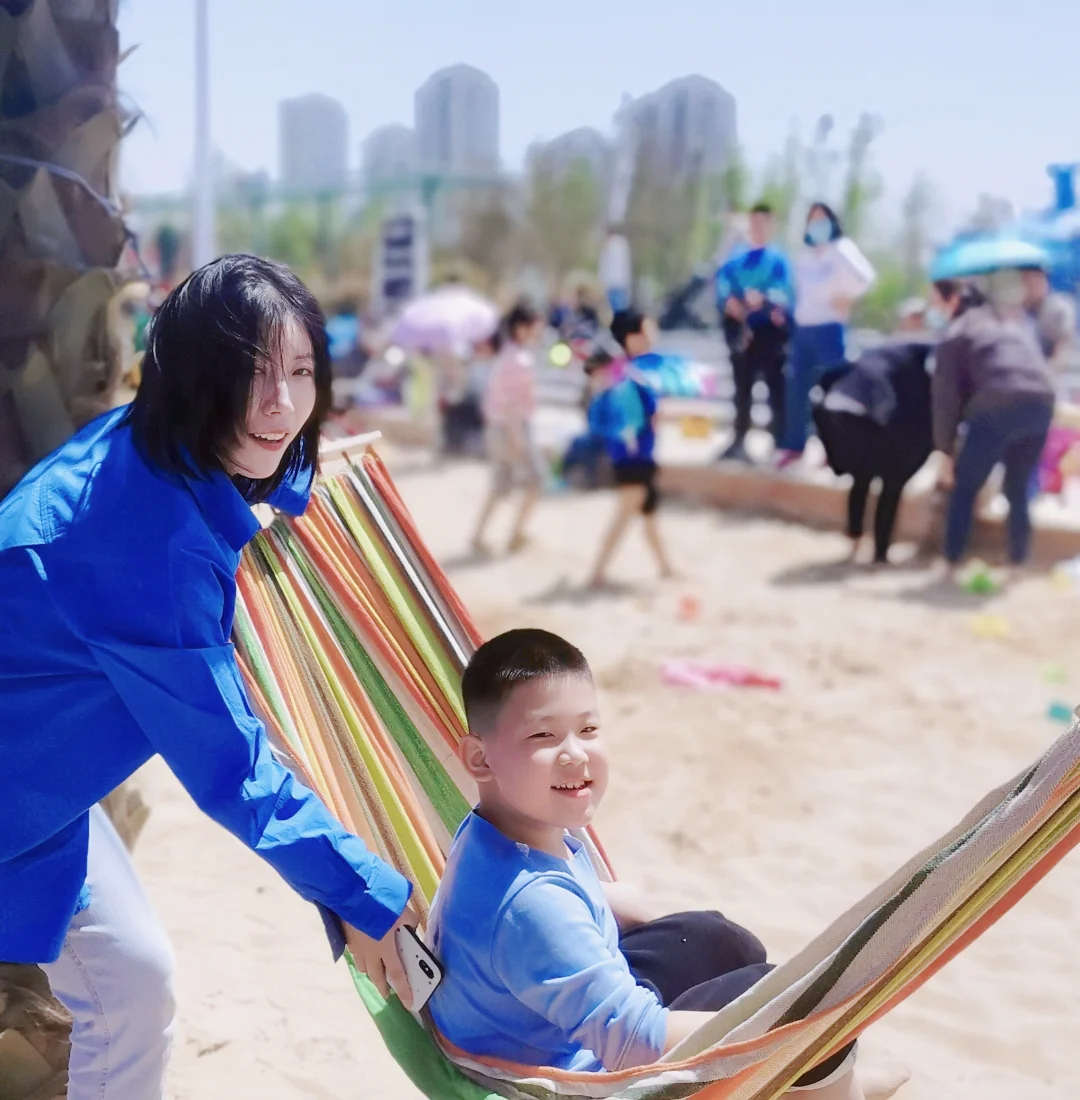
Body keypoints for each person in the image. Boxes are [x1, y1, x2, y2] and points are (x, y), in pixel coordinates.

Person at [0, 255, 420, 1100]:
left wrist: (309, 478)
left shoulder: (154, 442)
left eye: (300, 372)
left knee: (130, 984)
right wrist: (361, 893)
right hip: (18, 793)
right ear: (194, 377)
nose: (280, 404)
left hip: (40, 781)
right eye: (249, 375)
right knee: (126, 992)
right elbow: (234, 770)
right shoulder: (148, 546)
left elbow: (268, 463)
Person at [427, 629, 868, 1098]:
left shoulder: (498, 834)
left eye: (588, 729)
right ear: (479, 758)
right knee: (809, 1012)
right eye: (544, 734)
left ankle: (822, 1081)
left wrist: (617, 901)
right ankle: (837, 1087)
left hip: (540, 1024)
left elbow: (541, 919)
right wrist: (781, 1032)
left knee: (716, 940)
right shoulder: (532, 907)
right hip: (582, 1078)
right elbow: (632, 1042)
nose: (575, 753)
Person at [930, 279, 1056, 572]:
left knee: (965, 487)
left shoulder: (957, 332)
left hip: (998, 403)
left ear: (953, 302)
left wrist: (945, 452)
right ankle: (1018, 560)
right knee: (1018, 486)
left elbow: (945, 399)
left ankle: (952, 559)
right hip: (1041, 403)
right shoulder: (1011, 325)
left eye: (936, 300)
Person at [813, 308, 935, 564]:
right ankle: (879, 552)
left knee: (863, 476)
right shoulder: (924, 352)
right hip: (868, 410)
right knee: (892, 483)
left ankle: (857, 540)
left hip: (836, 405)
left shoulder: (892, 349)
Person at [778, 203, 876, 467]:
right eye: (813, 219)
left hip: (830, 329)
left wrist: (847, 298)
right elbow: (797, 291)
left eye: (822, 219)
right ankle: (794, 445)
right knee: (796, 390)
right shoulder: (805, 256)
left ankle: (836, 449)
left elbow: (865, 278)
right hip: (803, 329)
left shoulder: (842, 249)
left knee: (834, 391)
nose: (817, 224)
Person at [584, 311, 675, 588]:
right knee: (625, 515)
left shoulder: (620, 378)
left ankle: (666, 569)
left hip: (634, 458)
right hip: (634, 459)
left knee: (649, 516)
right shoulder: (630, 379)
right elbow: (646, 416)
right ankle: (597, 573)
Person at [715, 202, 795, 462]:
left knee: (775, 387)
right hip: (741, 333)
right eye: (754, 222)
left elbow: (784, 291)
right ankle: (738, 440)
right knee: (742, 388)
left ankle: (779, 442)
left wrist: (764, 298)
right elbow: (722, 284)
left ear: (772, 226)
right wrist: (731, 302)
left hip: (770, 334)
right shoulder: (736, 258)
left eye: (764, 223)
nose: (758, 228)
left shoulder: (779, 259)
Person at [471, 303, 546, 555]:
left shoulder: (506, 355)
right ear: (521, 329)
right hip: (510, 429)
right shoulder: (519, 360)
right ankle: (516, 533)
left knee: (500, 484)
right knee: (535, 478)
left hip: (497, 428)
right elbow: (512, 404)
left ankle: (479, 535)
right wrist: (517, 439)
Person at [1019, 264, 1076, 371]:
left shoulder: (1058, 309)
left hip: (1050, 372)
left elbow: (1063, 350)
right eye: (1025, 281)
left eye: (1035, 283)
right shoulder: (1014, 308)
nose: (1030, 287)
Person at [599, 226, 633, 314]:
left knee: (616, 306)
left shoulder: (611, 246)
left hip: (613, 283)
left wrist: (603, 282)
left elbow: (606, 266)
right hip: (621, 282)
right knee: (620, 305)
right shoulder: (622, 245)